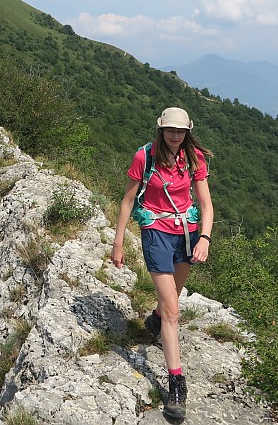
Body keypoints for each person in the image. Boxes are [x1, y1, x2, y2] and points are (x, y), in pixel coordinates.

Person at [110, 106, 214, 421]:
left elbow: (207, 205)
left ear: (187, 132)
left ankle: (154, 319)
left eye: (180, 131)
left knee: (171, 301)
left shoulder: (194, 157)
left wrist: (204, 239)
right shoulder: (145, 157)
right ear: (161, 129)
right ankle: (176, 386)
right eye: (170, 130)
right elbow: (128, 200)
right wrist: (118, 243)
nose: (175, 135)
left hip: (187, 233)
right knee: (173, 311)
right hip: (155, 232)